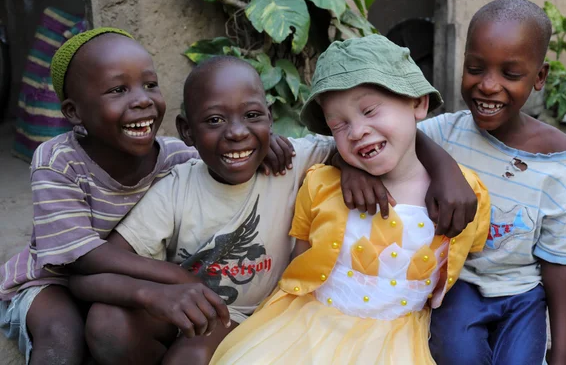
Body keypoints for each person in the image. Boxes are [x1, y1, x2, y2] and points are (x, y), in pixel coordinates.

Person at [71, 54, 484, 365]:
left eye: (251, 117)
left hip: (255, 318)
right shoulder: (176, 191)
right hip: (204, 311)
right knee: (108, 324)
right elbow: (86, 277)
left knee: (191, 358)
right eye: (214, 120)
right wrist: (161, 289)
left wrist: (373, 168)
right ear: (186, 132)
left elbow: (377, 141)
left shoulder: (298, 160)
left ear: (271, 120)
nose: (236, 133)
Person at [0, 28, 296, 365]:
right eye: (118, 89)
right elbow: (81, 259)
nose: (142, 99)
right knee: (62, 335)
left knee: (117, 328)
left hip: (123, 283)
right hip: (55, 281)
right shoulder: (57, 162)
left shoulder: (175, 155)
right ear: (74, 112)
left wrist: (261, 142)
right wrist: (175, 280)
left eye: (150, 84)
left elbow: (225, 149)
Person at [209, 35, 491, 365]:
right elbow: (303, 264)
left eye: (369, 110)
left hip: (398, 342)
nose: (356, 132)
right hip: (309, 328)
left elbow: (467, 261)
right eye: (339, 125)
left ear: (418, 103)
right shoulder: (321, 184)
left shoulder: (467, 193)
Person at [420, 0, 566, 365]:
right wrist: (444, 165)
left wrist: (560, 354)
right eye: (475, 68)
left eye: (510, 74)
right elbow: (395, 138)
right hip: (458, 285)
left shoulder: (557, 165)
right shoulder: (446, 133)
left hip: (523, 294)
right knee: (457, 356)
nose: (488, 86)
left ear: (539, 77)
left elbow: (558, 263)